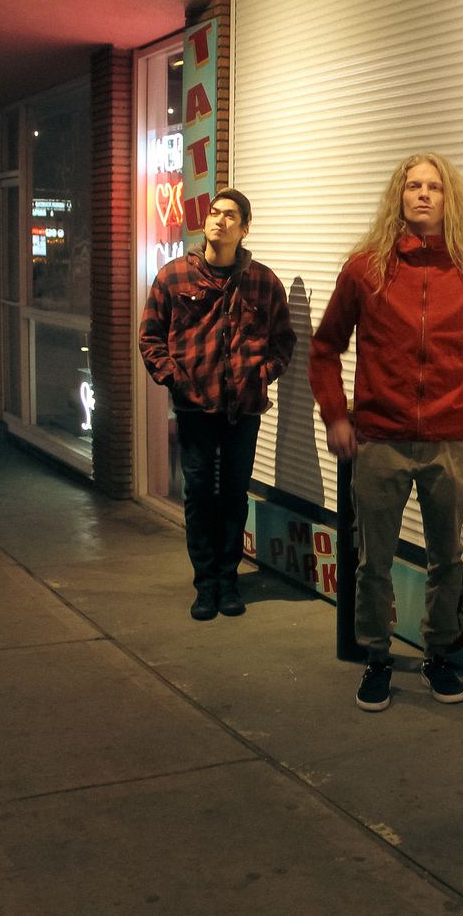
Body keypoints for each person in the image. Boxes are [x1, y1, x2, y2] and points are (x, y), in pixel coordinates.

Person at [309, 152, 463, 712]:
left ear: (450, 199)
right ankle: (376, 657)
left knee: (446, 559)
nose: (424, 194)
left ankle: (438, 655)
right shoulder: (365, 269)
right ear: (398, 197)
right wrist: (337, 416)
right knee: (374, 560)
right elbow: (325, 348)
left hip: (448, 441)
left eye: (435, 186)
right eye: (413, 185)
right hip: (380, 441)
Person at [140, 187, 296, 622]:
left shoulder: (263, 282)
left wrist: (262, 374)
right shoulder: (174, 277)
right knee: (198, 495)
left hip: (243, 408)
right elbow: (150, 337)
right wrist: (174, 380)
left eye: (230, 215)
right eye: (214, 212)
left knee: (233, 493)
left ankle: (228, 580)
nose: (219, 220)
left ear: (244, 229)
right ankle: (204, 584)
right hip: (194, 408)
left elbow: (283, 340)